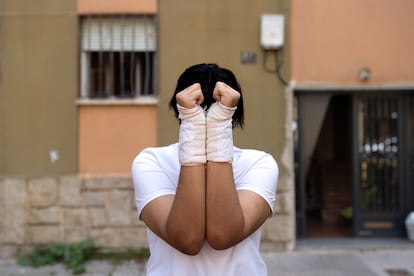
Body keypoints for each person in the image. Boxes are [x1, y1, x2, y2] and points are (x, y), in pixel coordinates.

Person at [132, 63, 278, 275]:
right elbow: (188, 240)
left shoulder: (259, 163)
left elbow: (222, 235)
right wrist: (195, 126)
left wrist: (218, 128)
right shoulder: (151, 161)